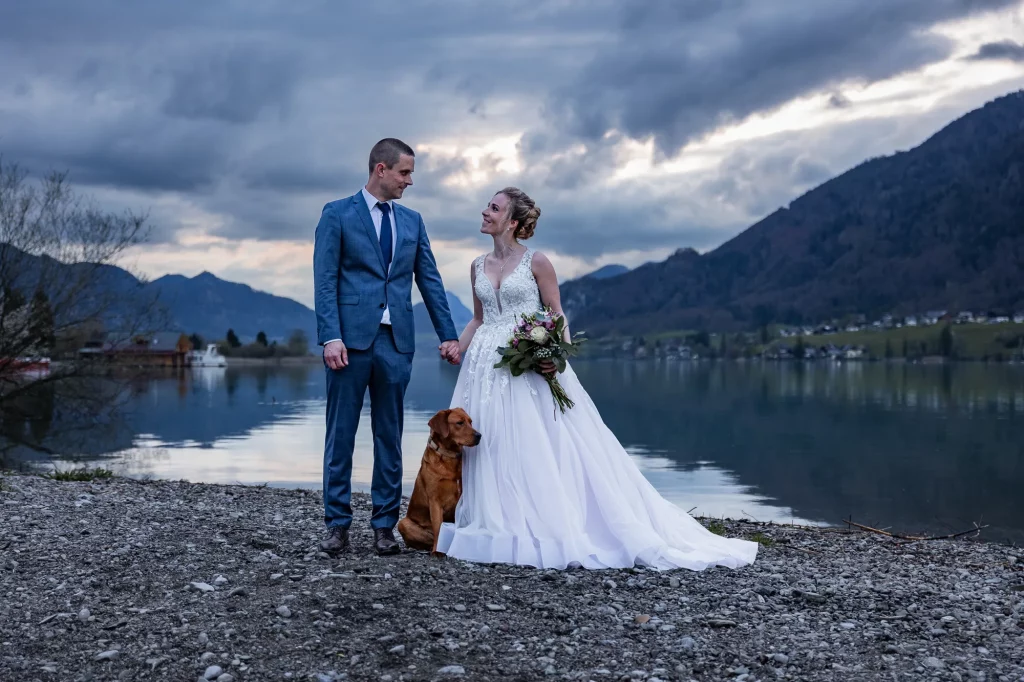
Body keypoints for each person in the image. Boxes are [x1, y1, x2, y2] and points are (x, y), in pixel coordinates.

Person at [434, 187, 758, 570]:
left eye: (494, 208)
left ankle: (549, 522)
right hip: (485, 367)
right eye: (488, 206)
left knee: (534, 442)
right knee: (490, 441)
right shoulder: (476, 265)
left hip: (526, 366)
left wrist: (555, 357)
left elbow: (556, 315)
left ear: (514, 222)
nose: (485, 212)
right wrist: (459, 345)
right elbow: (479, 318)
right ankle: (497, 519)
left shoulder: (537, 263)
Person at [313, 138, 461, 556]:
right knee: (340, 435)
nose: (409, 181)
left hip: (397, 343)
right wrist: (331, 335)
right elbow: (324, 280)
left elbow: (429, 280)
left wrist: (448, 333)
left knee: (389, 435)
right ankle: (337, 526)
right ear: (381, 169)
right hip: (348, 343)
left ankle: (383, 526)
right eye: (404, 173)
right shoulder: (336, 214)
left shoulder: (413, 221)